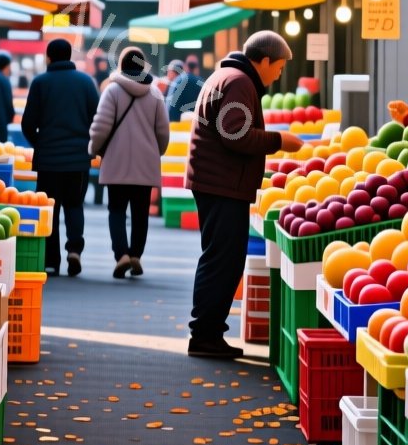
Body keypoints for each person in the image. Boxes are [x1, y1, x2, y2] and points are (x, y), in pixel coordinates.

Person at [185, 31, 304, 359]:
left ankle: (207, 333)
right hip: (221, 184)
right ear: (263, 61)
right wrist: (279, 140)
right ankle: (205, 335)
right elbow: (234, 134)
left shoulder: (227, 76)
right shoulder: (239, 82)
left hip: (216, 181)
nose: (278, 75)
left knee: (219, 257)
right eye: (278, 67)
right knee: (222, 259)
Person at [89, 46, 171, 279]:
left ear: (122, 65)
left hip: (116, 162)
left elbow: (101, 125)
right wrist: (157, 152)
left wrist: (93, 149)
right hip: (145, 164)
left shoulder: (112, 90)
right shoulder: (155, 94)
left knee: (116, 210)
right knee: (140, 213)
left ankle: (121, 255)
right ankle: (136, 255)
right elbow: (163, 132)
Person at [22, 39, 101, 276]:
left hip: (48, 161)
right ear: (69, 56)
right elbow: (97, 120)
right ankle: (74, 250)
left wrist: (41, 145)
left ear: (48, 57)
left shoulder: (40, 83)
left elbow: (28, 123)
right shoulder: (86, 82)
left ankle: (51, 260)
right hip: (77, 160)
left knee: (50, 210)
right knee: (74, 205)